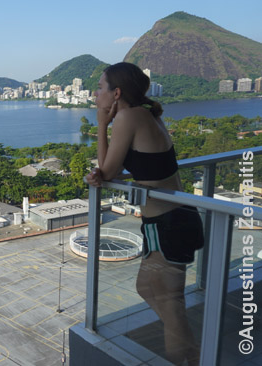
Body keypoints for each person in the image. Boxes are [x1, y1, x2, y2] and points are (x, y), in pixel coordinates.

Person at [85, 62, 203, 366]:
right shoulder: (145, 114)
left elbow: (108, 171)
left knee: (171, 306)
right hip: (172, 218)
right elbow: (119, 169)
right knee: (149, 289)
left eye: (101, 87)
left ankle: (188, 352)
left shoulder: (127, 117)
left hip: (168, 223)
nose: (96, 93)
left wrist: (101, 124)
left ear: (117, 93)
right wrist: (105, 170)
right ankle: (190, 347)